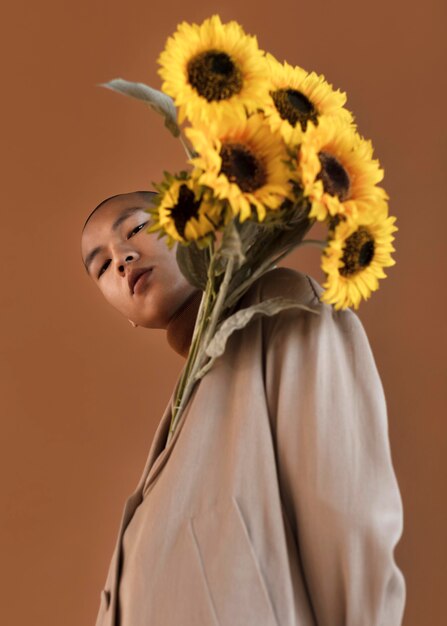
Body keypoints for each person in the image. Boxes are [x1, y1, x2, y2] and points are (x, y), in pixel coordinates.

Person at [81, 190, 407, 626]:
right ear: (126, 316)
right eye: (102, 266)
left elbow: (347, 519)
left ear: (197, 224)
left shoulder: (282, 309)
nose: (121, 259)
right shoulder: (186, 414)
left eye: (136, 227)